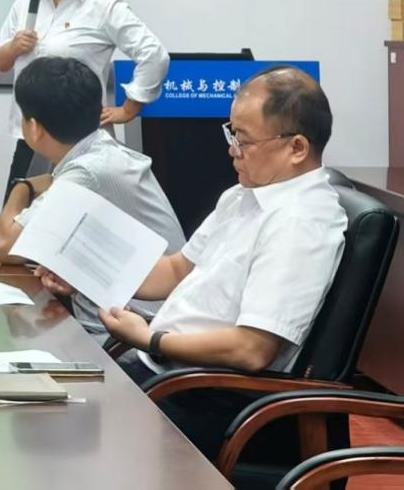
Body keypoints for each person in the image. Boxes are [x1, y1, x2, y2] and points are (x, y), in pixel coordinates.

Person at [39, 66, 347, 459]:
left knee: (52, 434)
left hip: (210, 398)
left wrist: (150, 340)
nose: (232, 150)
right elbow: (173, 271)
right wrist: (83, 273)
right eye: (231, 134)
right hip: (168, 373)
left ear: (297, 148)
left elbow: (251, 349)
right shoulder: (243, 197)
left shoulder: (300, 222)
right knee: (37, 404)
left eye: (244, 141)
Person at [0, 56, 184, 336]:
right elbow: (29, 226)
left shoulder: (87, 172)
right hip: (129, 319)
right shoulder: (96, 151)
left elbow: (10, 246)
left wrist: (22, 186)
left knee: (10, 332)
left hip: (137, 332)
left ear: (34, 128)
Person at [0, 0, 169, 185]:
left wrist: (128, 109)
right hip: (32, 137)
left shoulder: (104, 4)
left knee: (75, 210)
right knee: (18, 210)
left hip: (81, 142)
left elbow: (154, 55)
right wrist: (13, 47)